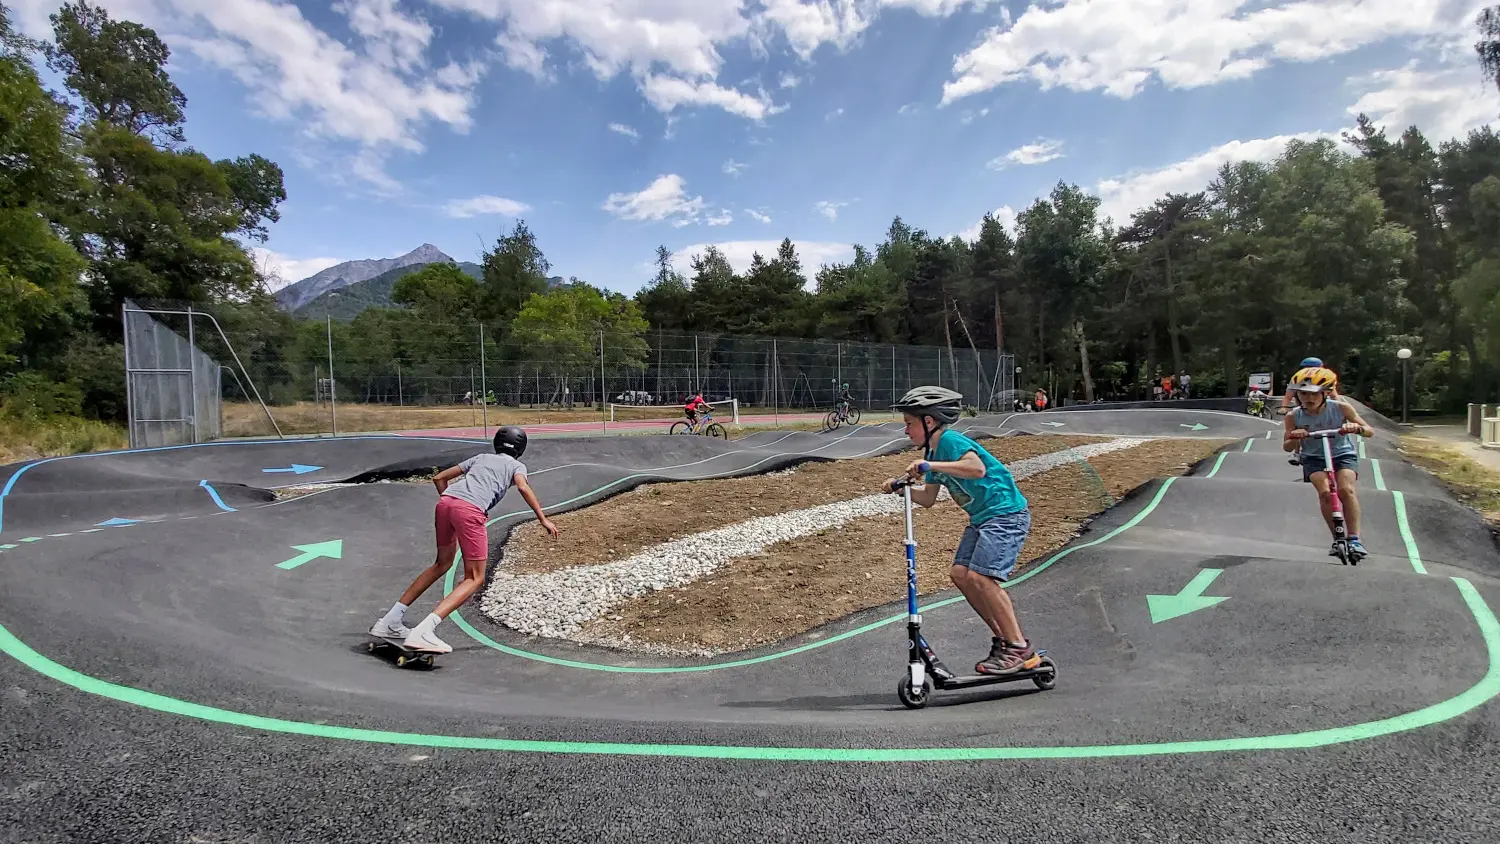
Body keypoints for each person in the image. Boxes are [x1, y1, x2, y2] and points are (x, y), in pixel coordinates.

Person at [880, 386, 1042, 676]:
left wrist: (931, 463)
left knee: (981, 577)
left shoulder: (949, 441)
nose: (905, 431)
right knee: (960, 575)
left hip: (1005, 514)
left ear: (929, 422)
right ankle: (1004, 640)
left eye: (909, 423)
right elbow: (928, 499)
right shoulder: (932, 452)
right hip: (982, 518)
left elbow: (976, 468)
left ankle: (1019, 647)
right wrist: (901, 489)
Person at [369, 425, 558, 654]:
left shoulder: (481, 457)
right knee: (474, 577)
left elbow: (439, 478)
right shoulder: (517, 466)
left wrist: (454, 506)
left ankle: (390, 620)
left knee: (441, 564)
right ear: (521, 449)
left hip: (446, 502)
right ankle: (425, 630)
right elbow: (522, 487)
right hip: (469, 511)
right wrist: (543, 519)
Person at [1281, 366, 1373, 560]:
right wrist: (1296, 437)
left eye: (1314, 394)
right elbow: (1287, 447)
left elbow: (1369, 431)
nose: (1309, 398)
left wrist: (1355, 428)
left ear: (1326, 393)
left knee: (1345, 490)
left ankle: (1354, 538)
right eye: (1303, 393)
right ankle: (1337, 537)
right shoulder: (1294, 416)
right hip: (1314, 458)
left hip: (1342, 454)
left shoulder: (1341, 408)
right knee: (1325, 493)